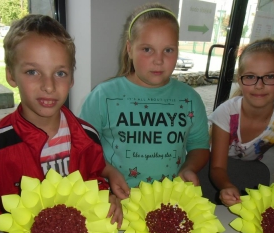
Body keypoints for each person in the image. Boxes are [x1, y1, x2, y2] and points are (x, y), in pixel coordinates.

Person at [0, 14, 123, 233]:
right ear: (11, 75)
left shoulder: (87, 137)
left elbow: (95, 181)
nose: (48, 85)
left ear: (71, 79)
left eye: (59, 73)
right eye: (32, 71)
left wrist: (107, 199)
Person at [79, 3, 210, 188]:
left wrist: (189, 168)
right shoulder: (102, 96)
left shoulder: (190, 99)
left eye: (168, 50)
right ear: (129, 49)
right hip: (116, 201)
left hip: (169, 200)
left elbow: (199, 146)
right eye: (147, 49)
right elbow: (83, 149)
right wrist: (107, 171)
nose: (158, 60)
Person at [208, 37, 274, 207]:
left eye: (270, 77)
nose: (259, 85)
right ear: (240, 80)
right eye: (251, 76)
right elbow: (217, 168)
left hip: (248, 169)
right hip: (212, 167)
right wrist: (226, 186)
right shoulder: (225, 112)